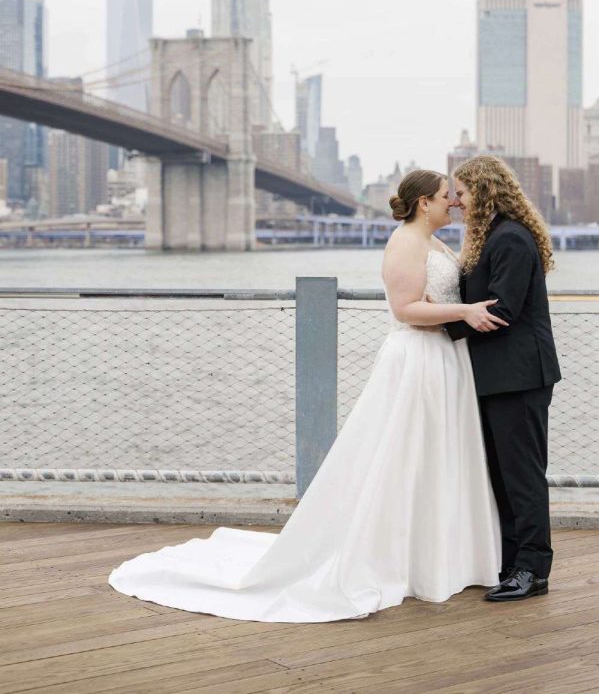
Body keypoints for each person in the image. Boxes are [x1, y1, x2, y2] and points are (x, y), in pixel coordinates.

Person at [108, 169, 503, 623]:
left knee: (437, 456)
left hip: (446, 359)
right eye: (443, 197)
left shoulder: (435, 243)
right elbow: (405, 309)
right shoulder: (404, 243)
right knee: (403, 456)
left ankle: (441, 556)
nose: (452, 202)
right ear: (422, 204)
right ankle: (402, 559)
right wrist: (464, 312)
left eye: (453, 196)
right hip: (416, 360)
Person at [445, 155, 561, 602]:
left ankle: (533, 571)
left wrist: (433, 323)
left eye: (465, 192)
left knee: (522, 475)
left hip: (519, 375)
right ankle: (511, 562)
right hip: (498, 375)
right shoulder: (493, 236)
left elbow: (502, 311)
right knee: (501, 473)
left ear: (486, 191)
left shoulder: (510, 238)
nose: (459, 201)